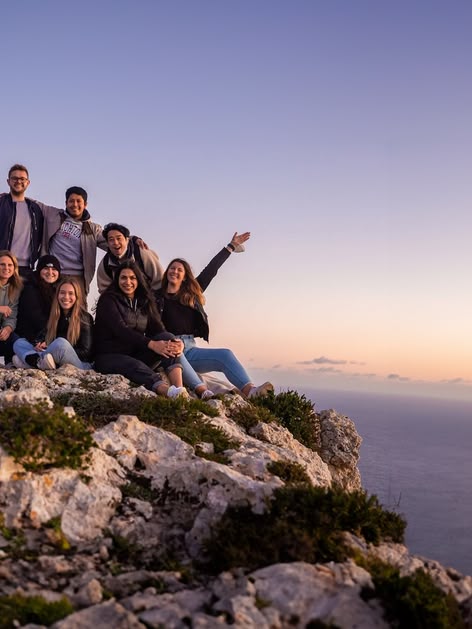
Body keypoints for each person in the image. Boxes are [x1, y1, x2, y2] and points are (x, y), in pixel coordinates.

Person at [156, 232, 273, 398]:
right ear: (167, 272)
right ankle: (203, 393)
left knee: (225, 354)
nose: (174, 271)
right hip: (170, 347)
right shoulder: (156, 297)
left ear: (184, 276)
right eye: (172, 268)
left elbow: (211, 269)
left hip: (190, 348)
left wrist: (231, 247)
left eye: (179, 270)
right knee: (176, 352)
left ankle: (251, 391)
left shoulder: (191, 294)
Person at [94, 260, 187, 398]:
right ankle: (167, 392)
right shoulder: (108, 300)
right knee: (134, 365)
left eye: (132, 278)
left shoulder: (144, 301)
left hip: (134, 352)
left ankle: (179, 389)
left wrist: (177, 342)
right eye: (123, 278)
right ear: (117, 280)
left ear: (138, 280)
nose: (128, 282)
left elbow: (159, 328)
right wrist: (151, 344)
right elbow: (121, 330)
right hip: (108, 356)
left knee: (167, 338)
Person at [13, 278, 93, 370]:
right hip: (52, 356)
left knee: (60, 343)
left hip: (79, 363)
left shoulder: (84, 318)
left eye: (71, 293)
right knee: (19, 343)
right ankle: (39, 362)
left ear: (77, 296)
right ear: (57, 295)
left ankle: (30, 361)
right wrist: (39, 344)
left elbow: (86, 352)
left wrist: (52, 349)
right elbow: (42, 336)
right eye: (62, 293)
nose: (66, 297)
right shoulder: (54, 315)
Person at [0, 165, 44, 282]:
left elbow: (39, 236)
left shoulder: (35, 209)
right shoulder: (1, 203)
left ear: (28, 182)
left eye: (22, 179)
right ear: (8, 181)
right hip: (3, 266)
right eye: (14, 178)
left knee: (28, 300)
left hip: (26, 269)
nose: (18, 181)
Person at [14, 255, 62, 358]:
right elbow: (35, 317)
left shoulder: (60, 289)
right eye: (46, 268)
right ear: (39, 270)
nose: (50, 272)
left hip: (50, 336)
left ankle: (32, 359)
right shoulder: (30, 288)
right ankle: (36, 358)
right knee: (19, 344)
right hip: (31, 336)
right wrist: (43, 339)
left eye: (54, 269)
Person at [96, 222, 163, 293]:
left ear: (127, 240)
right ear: (107, 244)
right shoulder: (104, 266)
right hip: (122, 302)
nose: (115, 243)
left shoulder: (143, 254)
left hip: (150, 297)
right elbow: (105, 293)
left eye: (119, 238)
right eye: (111, 239)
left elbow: (160, 280)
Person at [0, 251, 23, 366]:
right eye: (2, 264)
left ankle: (32, 359)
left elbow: (12, 314)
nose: (6, 268)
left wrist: (8, 328)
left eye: (10, 265)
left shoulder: (15, 288)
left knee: (16, 339)